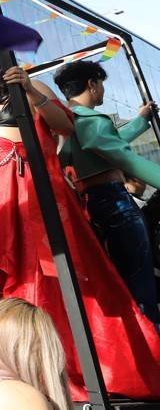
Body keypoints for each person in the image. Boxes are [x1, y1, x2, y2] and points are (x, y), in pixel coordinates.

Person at [0, 41, 160, 400]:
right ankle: (8, 366)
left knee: (46, 276)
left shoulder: (29, 87)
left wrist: (29, 88)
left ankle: (58, 364)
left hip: (28, 194)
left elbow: (64, 127)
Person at [54, 58, 160, 323]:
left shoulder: (64, 120)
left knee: (119, 281)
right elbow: (123, 157)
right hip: (116, 203)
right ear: (92, 84)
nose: (102, 90)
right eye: (101, 84)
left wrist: (139, 121)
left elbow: (107, 144)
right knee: (140, 284)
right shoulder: (90, 120)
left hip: (90, 205)